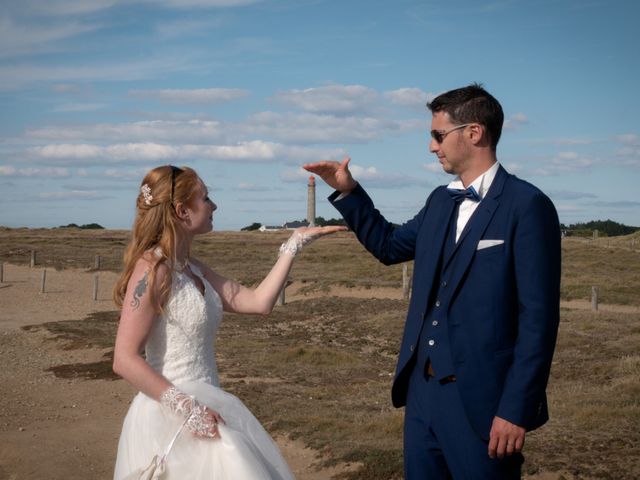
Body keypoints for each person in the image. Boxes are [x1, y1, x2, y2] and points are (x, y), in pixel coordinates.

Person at [304, 84, 561, 479]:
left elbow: (538, 320)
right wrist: (349, 192)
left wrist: (515, 409)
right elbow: (389, 246)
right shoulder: (440, 201)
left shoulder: (527, 206)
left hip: (485, 402)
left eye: (438, 135)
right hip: (422, 396)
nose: (431, 146)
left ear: (473, 133)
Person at [112, 165, 345, 479]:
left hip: (209, 400)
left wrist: (293, 245)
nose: (214, 205)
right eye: (206, 198)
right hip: (169, 412)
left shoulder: (194, 268)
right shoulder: (153, 269)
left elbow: (258, 303)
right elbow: (124, 359)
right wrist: (187, 408)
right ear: (182, 211)